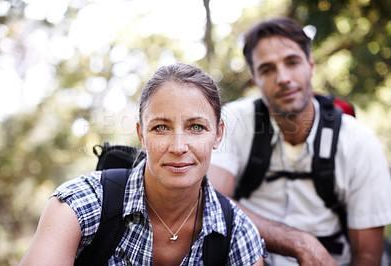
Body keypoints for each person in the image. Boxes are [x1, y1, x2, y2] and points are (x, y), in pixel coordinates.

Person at [20, 63, 265, 265]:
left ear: (218, 134)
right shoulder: (80, 204)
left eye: (196, 127)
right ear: (141, 135)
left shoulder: (238, 233)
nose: (178, 147)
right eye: (161, 127)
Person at [209, 17, 391, 266]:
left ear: (311, 65)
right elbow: (209, 199)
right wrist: (299, 242)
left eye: (292, 62)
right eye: (267, 69)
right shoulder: (232, 121)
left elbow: (367, 256)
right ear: (254, 79)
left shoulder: (359, 142)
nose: (283, 77)